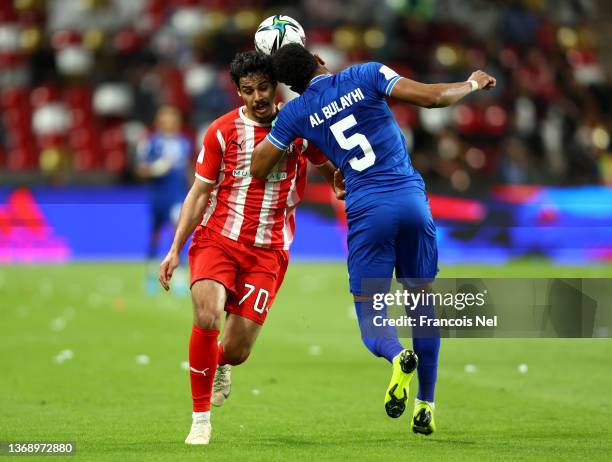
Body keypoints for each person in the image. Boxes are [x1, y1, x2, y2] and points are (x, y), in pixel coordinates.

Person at [251, 43, 496, 435]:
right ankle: (426, 403)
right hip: (412, 200)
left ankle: (399, 357)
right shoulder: (366, 74)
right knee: (421, 301)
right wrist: (471, 82)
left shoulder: (296, 112)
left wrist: (282, 130)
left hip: (368, 210)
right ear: (319, 61)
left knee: (372, 319)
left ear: (289, 86)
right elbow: (433, 98)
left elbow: (259, 166)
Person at [158, 50, 342, 445]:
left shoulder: (297, 125)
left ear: (275, 86)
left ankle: (221, 361)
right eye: (248, 90)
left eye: (263, 87)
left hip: (269, 250)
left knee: (238, 350)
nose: (257, 96)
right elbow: (199, 193)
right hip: (218, 239)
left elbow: (329, 168)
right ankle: (200, 420)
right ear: (238, 92)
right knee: (207, 313)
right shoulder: (221, 132)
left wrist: (343, 182)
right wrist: (175, 248)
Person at [136, 105, 192, 295]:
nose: (169, 120)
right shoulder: (151, 143)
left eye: (172, 116)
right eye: (165, 117)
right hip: (157, 196)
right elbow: (140, 170)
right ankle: (151, 273)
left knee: (178, 233)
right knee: (155, 235)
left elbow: (188, 171)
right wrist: (154, 169)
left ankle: (179, 276)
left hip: (176, 196)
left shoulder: (185, 143)